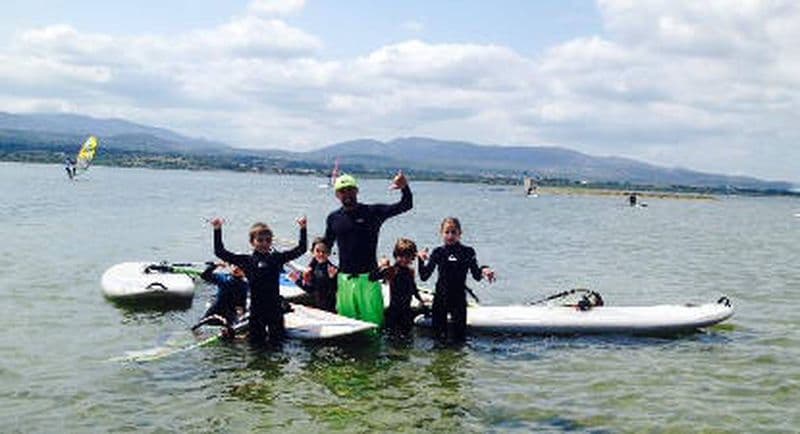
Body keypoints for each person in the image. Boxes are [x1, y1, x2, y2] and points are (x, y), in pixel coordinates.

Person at [323, 171, 412, 327]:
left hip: (369, 279)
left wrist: (404, 187)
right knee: (347, 326)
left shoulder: (372, 212)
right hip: (345, 280)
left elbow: (405, 205)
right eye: (342, 191)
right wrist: (316, 269)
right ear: (337, 194)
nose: (347, 194)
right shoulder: (333, 218)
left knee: (374, 327)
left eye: (350, 189)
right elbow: (326, 246)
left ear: (357, 191)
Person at [211, 216, 307, 345]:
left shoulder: (277, 258)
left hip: (275, 308)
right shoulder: (246, 260)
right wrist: (217, 229)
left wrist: (303, 228)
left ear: (271, 242)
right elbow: (220, 252)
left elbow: (301, 249)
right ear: (252, 242)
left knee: (278, 345)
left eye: (267, 240)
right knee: (256, 347)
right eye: (260, 240)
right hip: (257, 310)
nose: (264, 243)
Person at [418, 217, 495, 342]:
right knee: (438, 340)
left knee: (460, 340)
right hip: (440, 300)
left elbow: (476, 275)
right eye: (447, 232)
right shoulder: (438, 252)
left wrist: (485, 269)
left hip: (458, 300)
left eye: (454, 232)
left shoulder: (468, 252)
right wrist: (421, 261)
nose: (450, 235)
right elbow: (424, 276)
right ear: (441, 233)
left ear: (460, 233)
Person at [370, 238, 428, 335]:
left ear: (412, 257)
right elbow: (372, 277)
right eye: (401, 256)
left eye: (408, 257)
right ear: (395, 256)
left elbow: (413, 288)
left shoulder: (410, 271)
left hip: (406, 310)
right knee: (392, 337)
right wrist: (381, 266)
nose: (404, 260)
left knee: (407, 337)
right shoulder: (392, 270)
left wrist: (421, 300)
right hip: (394, 311)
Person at [191, 262, 248, 338]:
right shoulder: (223, 278)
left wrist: (242, 311)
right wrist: (216, 265)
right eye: (234, 266)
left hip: (231, 311)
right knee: (197, 326)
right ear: (230, 267)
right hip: (217, 307)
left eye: (240, 268)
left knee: (232, 330)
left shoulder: (246, 284)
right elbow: (205, 276)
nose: (236, 269)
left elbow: (242, 302)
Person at [289, 237, 338, 313]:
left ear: (329, 253)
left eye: (324, 251)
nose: (321, 254)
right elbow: (310, 289)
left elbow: (332, 292)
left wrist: (332, 278)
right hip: (314, 299)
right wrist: (297, 281)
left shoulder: (332, 269)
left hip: (326, 306)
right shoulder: (314, 266)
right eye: (318, 251)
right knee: (286, 301)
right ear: (312, 252)